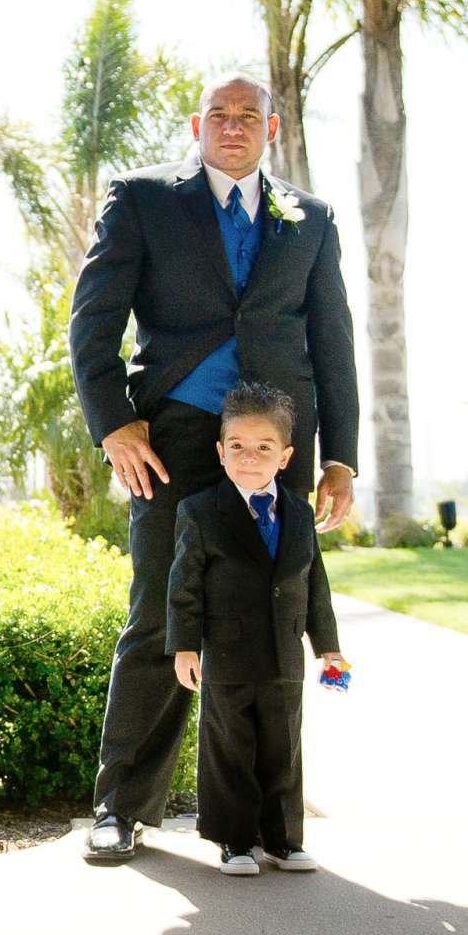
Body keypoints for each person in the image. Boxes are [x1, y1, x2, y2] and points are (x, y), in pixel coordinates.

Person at [67, 73, 359, 863]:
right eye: (219, 115)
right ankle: (121, 806)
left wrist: (341, 459)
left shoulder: (313, 218)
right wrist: (114, 425)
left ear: (272, 126)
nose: (233, 126)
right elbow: (92, 322)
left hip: (278, 441)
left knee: (271, 624)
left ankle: (270, 820)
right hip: (177, 435)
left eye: (249, 116)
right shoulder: (143, 198)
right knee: (163, 608)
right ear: (198, 125)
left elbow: (332, 343)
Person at [166, 382, 346, 876]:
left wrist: (328, 648)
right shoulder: (200, 511)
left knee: (283, 746)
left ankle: (284, 840)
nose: (250, 458)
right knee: (230, 746)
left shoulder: (299, 513)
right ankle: (235, 841)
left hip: (284, 652)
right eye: (239, 447)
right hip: (226, 654)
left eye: (263, 447)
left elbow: (316, 585)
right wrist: (184, 647)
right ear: (221, 452)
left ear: (284, 457)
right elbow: (184, 587)